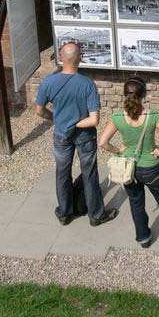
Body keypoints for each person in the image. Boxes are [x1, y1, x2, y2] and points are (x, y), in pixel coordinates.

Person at [99, 76, 159, 248]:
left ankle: (143, 237)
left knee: (136, 202)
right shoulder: (152, 116)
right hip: (151, 167)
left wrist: (118, 150)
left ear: (124, 94)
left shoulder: (117, 117)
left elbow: (103, 142)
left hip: (129, 167)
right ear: (144, 95)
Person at [35, 41, 118, 227]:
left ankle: (65, 213)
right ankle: (96, 215)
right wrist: (76, 123)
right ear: (80, 58)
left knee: (62, 173)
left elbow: (39, 110)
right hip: (85, 136)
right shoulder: (87, 84)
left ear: (61, 58)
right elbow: (94, 120)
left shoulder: (48, 82)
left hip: (61, 135)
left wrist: (57, 119)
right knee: (89, 173)